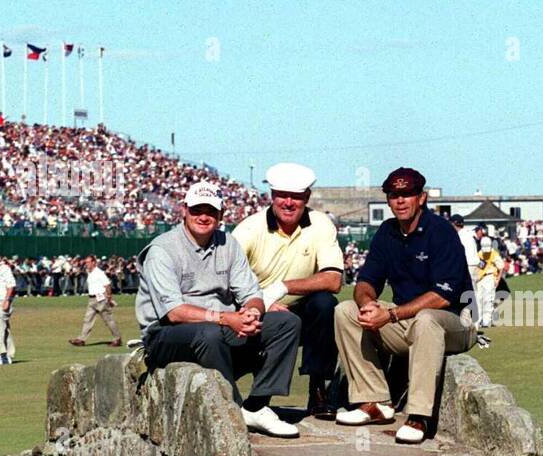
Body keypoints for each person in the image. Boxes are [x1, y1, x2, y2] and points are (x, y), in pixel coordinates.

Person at [135, 181, 301, 438]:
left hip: (220, 327)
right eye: (197, 210)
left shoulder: (229, 243)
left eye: (211, 211)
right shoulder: (162, 250)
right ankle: (231, 407)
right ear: (185, 210)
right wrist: (226, 318)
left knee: (286, 323)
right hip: (167, 335)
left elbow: (251, 293)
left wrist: (252, 314)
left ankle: (256, 405)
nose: (204, 217)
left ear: (221, 215)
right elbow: (174, 312)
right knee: (208, 333)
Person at [333, 167, 476, 444]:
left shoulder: (441, 231)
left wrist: (390, 314)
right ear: (388, 200)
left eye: (407, 194)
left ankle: (419, 415)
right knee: (345, 311)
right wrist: (368, 305)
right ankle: (374, 401)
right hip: (407, 322)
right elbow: (365, 281)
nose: (400, 201)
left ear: (421, 198)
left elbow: (443, 296)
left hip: (456, 322)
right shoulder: (387, 232)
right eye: (394, 195)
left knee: (426, 319)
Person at [232, 163, 344, 418]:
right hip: (256, 308)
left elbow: (333, 279)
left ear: (307, 197)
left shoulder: (321, 223)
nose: (289, 202)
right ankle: (259, 400)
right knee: (278, 322)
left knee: (326, 304)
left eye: (296, 196)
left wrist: (282, 288)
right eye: (282, 195)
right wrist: (261, 301)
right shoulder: (249, 228)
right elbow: (226, 278)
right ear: (271, 196)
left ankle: (318, 388)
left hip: (301, 308)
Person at [70, 254, 122, 347]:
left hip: (101, 299)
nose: (86, 264)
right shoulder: (90, 272)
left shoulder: (99, 273)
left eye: (88, 262)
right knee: (87, 319)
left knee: (108, 320)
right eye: (86, 262)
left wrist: (109, 297)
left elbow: (107, 285)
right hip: (92, 299)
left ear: (94, 262)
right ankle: (81, 339)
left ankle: (117, 339)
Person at [474, 235, 504, 328]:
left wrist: (498, 279)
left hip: (490, 278)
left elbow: (501, 267)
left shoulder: (494, 254)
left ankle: (486, 321)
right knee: (478, 300)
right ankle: (478, 321)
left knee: (488, 299)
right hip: (479, 279)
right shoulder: (479, 254)